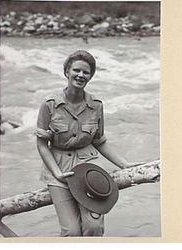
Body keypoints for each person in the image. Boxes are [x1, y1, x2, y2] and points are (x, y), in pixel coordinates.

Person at [35, 50, 140, 237]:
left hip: (90, 172)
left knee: (94, 227)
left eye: (86, 72)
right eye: (76, 70)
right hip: (58, 172)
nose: (81, 75)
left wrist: (124, 164)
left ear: (91, 76)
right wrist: (57, 173)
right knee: (71, 231)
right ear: (66, 72)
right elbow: (42, 144)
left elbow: (99, 141)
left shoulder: (96, 105)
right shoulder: (49, 104)